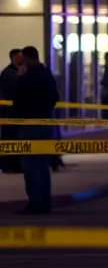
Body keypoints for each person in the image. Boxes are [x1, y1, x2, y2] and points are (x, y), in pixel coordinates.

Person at [10, 46, 59, 214]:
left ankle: (35, 201)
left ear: (29, 59)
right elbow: (55, 97)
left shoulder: (28, 76)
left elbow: (18, 99)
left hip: (30, 125)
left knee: (30, 164)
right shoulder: (47, 74)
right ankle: (45, 200)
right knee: (42, 164)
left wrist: (20, 78)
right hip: (46, 123)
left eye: (23, 59)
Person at [0, 48, 22, 173]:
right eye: (19, 57)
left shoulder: (15, 71)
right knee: (10, 137)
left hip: (13, 112)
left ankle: (13, 164)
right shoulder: (9, 73)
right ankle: (10, 164)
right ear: (13, 58)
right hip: (10, 112)